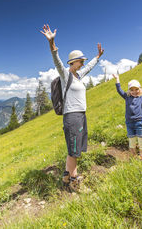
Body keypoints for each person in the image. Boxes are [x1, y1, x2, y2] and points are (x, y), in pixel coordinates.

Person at [40, 24, 104, 191]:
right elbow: (57, 60)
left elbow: (89, 68)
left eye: (83, 61)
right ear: (73, 62)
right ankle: (74, 182)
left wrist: (97, 57)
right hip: (72, 117)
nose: (83, 63)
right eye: (81, 61)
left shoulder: (78, 75)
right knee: (74, 151)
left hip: (80, 115)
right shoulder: (65, 74)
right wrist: (51, 43)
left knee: (73, 150)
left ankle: (66, 178)